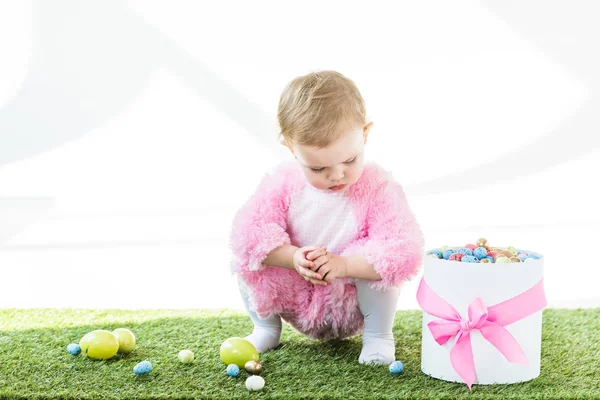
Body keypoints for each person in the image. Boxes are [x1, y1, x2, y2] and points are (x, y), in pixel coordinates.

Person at [229, 70, 424, 365]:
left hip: (348, 300)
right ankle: (265, 327)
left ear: (365, 134)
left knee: (383, 268)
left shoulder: (378, 186)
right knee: (246, 256)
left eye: (349, 160)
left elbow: (401, 250)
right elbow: (249, 233)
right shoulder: (283, 183)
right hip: (296, 295)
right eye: (318, 169)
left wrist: (343, 265)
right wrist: (294, 257)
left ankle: (378, 336)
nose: (337, 175)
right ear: (292, 148)